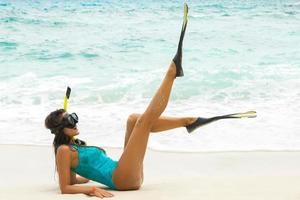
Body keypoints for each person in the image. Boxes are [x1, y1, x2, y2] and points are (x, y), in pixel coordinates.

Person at [44, 4, 198, 198]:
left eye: (73, 117)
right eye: (69, 120)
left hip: (124, 171)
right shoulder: (64, 150)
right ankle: (172, 73)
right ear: (59, 129)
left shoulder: (73, 146)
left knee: (134, 119)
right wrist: (90, 189)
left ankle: (188, 122)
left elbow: (73, 180)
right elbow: (65, 187)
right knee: (144, 122)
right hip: (122, 180)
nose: (75, 122)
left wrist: (80, 176)